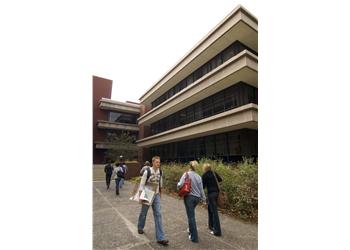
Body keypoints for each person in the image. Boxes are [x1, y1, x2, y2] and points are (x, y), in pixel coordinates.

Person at [137, 156, 169, 246]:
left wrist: (160, 194)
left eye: (159, 162)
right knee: (144, 213)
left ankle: (160, 238)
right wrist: (140, 197)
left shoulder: (160, 171)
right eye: (157, 162)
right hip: (147, 193)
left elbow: (160, 184)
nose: (159, 164)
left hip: (156, 195)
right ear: (153, 163)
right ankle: (140, 227)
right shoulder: (147, 171)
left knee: (158, 214)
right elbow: (141, 185)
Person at [177, 160, 206, 243]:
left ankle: (194, 237)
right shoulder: (199, 177)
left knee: (191, 217)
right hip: (197, 198)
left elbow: (180, 184)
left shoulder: (186, 174)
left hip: (189, 197)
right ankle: (190, 229)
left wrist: (177, 185)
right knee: (191, 215)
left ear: (189, 166)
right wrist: (204, 199)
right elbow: (201, 190)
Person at [202, 163, 222, 236]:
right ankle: (211, 226)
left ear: (204, 168)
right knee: (210, 209)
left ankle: (217, 231)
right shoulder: (214, 173)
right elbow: (220, 180)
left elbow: (203, 187)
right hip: (217, 193)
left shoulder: (204, 175)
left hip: (211, 195)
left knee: (214, 212)